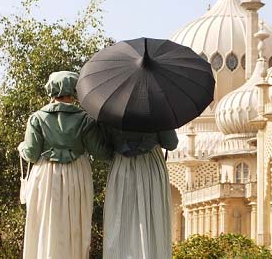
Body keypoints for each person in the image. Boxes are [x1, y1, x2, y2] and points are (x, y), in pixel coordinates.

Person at [18, 71, 112, 259]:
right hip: (77, 174)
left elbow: (31, 154)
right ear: (74, 90)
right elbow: (101, 152)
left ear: (51, 90)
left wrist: (21, 147)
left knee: (46, 224)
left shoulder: (37, 118)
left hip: (45, 175)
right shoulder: (86, 119)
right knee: (75, 226)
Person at [101, 126, 178, 259]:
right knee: (153, 222)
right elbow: (171, 143)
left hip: (121, 167)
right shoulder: (156, 108)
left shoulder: (111, 111)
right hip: (151, 168)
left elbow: (101, 150)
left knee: (120, 223)